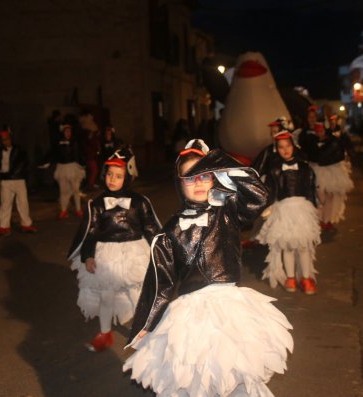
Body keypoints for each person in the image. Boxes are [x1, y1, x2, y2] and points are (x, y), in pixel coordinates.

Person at [124, 139, 293, 397]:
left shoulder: (228, 211)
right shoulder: (169, 233)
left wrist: (221, 164)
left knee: (237, 374)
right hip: (191, 315)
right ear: (179, 183)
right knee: (198, 380)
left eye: (204, 175)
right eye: (190, 178)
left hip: (230, 309)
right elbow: (160, 284)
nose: (199, 182)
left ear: (214, 177)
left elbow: (259, 194)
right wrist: (146, 324)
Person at [67, 148, 161, 352]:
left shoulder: (140, 202)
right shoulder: (98, 204)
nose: (112, 179)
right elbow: (90, 232)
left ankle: (144, 332)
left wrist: (161, 252)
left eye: (118, 176)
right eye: (109, 174)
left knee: (137, 295)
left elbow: (151, 228)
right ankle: (104, 333)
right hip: (107, 254)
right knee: (106, 295)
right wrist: (88, 256)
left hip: (134, 253)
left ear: (128, 177)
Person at [256, 130, 320, 294]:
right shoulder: (274, 169)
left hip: (302, 209)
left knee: (304, 245)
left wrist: (314, 206)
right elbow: (271, 191)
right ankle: (290, 277)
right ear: (277, 149)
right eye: (281, 147)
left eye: (288, 146)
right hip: (284, 210)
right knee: (287, 246)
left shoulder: (305, 167)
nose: (285, 150)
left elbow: (311, 188)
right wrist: (269, 207)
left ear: (294, 145)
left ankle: (306, 278)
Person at [0, 128, 37, 235]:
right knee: (5, 203)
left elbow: (23, 164)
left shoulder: (20, 150)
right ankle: (4, 226)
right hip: (5, 181)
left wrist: (10, 173)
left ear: (11, 139)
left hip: (18, 179)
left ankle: (26, 224)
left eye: (7, 139)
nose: (5, 141)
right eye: (3, 140)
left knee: (23, 203)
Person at [311, 122, 354, 230]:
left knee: (330, 196)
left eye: (321, 130)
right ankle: (321, 218)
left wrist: (322, 160)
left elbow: (339, 155)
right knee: (320, 197)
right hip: (317, 170)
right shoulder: (311, 141)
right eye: (317, 131)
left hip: (331, 171)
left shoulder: (333, 140)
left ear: (325, 130)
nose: (319, 133)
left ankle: (327, 219)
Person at [42, 124, 86, 219]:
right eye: (66, 131)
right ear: (63, 132)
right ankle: (63, 210)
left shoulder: (74, 141)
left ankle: (78, 210)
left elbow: (79, 153)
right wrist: (46, 162)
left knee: (75, 190)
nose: (68, 133)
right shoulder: (58, 142)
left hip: (73, 167)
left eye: (70, 131)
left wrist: (83, 164)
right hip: (61, 168)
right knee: (63, 191)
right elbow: (52, 153)